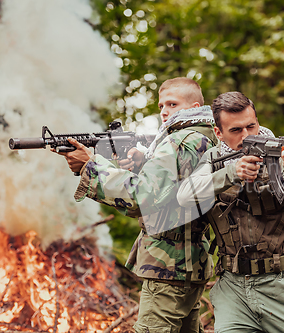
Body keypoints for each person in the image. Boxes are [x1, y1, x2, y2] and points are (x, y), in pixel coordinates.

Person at [56, 77, 218, 333]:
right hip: (190, 263)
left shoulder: (177, 143)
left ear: (194, 106)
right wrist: (145, 164)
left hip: (168, 267)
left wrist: (91, 166)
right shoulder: (204, 139)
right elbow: (173, 193)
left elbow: (141, 197)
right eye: (161, 105)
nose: (165, 111)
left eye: (173, 104)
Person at [177, 91, 284, 333]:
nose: (247, 136)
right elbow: (184, 196)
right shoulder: (214, 159)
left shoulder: (280, 153)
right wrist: (231, 173)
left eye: (251, 126)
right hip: (233, 290)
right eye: (236, 130)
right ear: (219, 133)